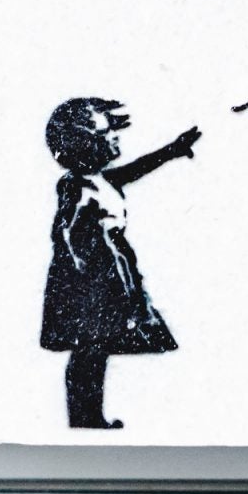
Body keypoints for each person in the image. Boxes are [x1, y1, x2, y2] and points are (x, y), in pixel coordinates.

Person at [40, 98, 202, 429]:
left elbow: (136, 169)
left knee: (96, 349)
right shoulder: (76, 185)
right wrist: (80, 266)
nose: (115, 137)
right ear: (82, 143)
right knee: (89, 350)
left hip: (110, 273)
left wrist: (172, 150)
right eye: (106, 132)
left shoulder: (103, 180)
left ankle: (89, 416)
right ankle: (84, 418)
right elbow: (64, 229)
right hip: (91, 279)